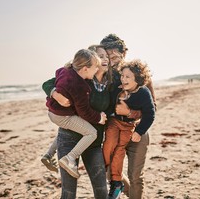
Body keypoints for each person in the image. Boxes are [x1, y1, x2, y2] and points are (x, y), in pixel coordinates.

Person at [43, 45, 111, 198]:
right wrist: (55, 94)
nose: (103, 59)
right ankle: (57, 156)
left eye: (106, 56)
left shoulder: (111, 84)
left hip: (93, 144)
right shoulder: (79, 80)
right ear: (88, 65)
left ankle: (49, 154)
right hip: (68, 138)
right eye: (100, 56)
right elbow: (48, 84)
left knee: (102, 191)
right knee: (68, 193)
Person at [101, 34, 157, 199]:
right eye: (107, 55)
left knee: (136, 177)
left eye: (114, 55)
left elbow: (152, 108)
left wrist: (129, 113)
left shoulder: (138, 74)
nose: (111, 59)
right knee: (111, 172)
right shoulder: (104, 76)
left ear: (124, 53)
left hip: (138, 130)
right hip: (114, 130)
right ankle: (126, 190)